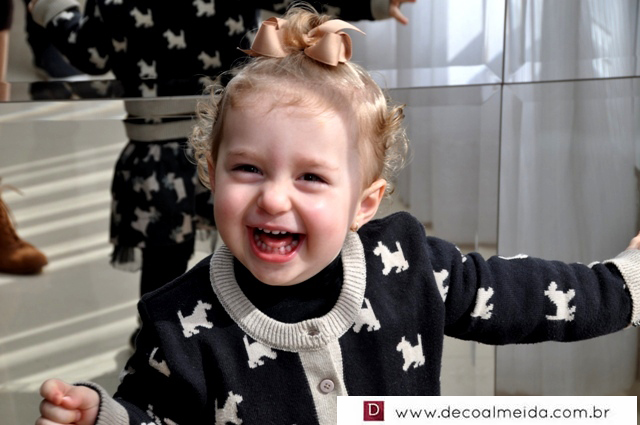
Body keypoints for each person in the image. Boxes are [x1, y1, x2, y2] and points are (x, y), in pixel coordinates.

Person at [36, 6, 640, 425]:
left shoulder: (407, 265)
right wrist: (105, 416)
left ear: (364, 204)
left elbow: (525, 294)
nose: (275, 199)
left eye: (311, 177)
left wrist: (623, 285)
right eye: (247, 169)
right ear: (210, 173)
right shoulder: (177, 324)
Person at [29, 0, 415, 348]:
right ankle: (179, 337)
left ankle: (171, 334)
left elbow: (89, 50)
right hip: (237, 142)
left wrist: (49, 6)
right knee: (238, 249)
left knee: (182, 256)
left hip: (200, 153)